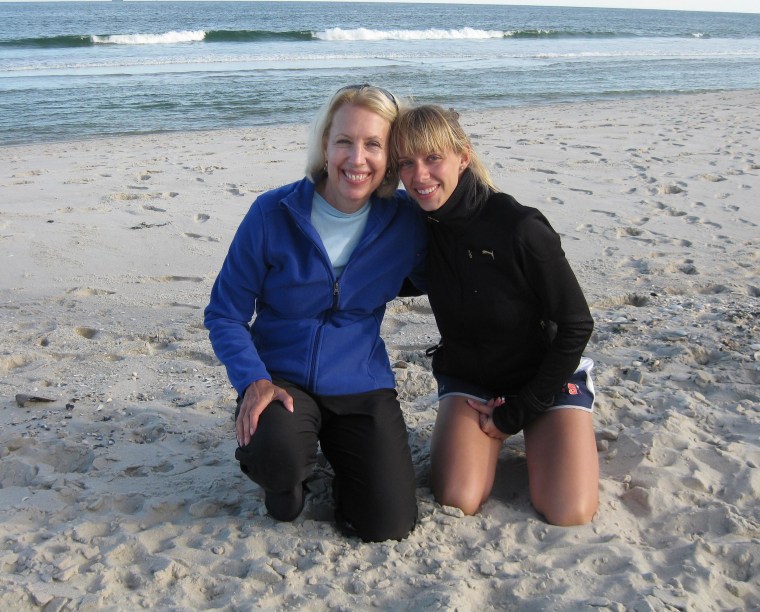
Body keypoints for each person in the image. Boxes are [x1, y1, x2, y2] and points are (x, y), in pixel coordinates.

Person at [204, 85, 427, 542]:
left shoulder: (406, 221)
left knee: (387, 524)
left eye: (373, 145)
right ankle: (288, 478)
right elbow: (224, 314)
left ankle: (345, 461)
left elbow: (467, 249)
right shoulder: (272, 213)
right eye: (345, 141)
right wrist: (253, 379)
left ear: (390, 158)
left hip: (361, 382)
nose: (356, 159)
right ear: (325, 145)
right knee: (278, 459)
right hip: (282, 381)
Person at [390, 105, 598, 526]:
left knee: (568, 510)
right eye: (406, 164)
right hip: (472, 378)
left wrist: (517, 413)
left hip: (544, 376)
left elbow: (577, 325)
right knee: (459, 498)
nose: (419, 175)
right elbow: (389, 278)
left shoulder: (519, 227)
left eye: (433, 158)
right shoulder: (417, 228)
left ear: (463, 156)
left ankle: (559, 425)